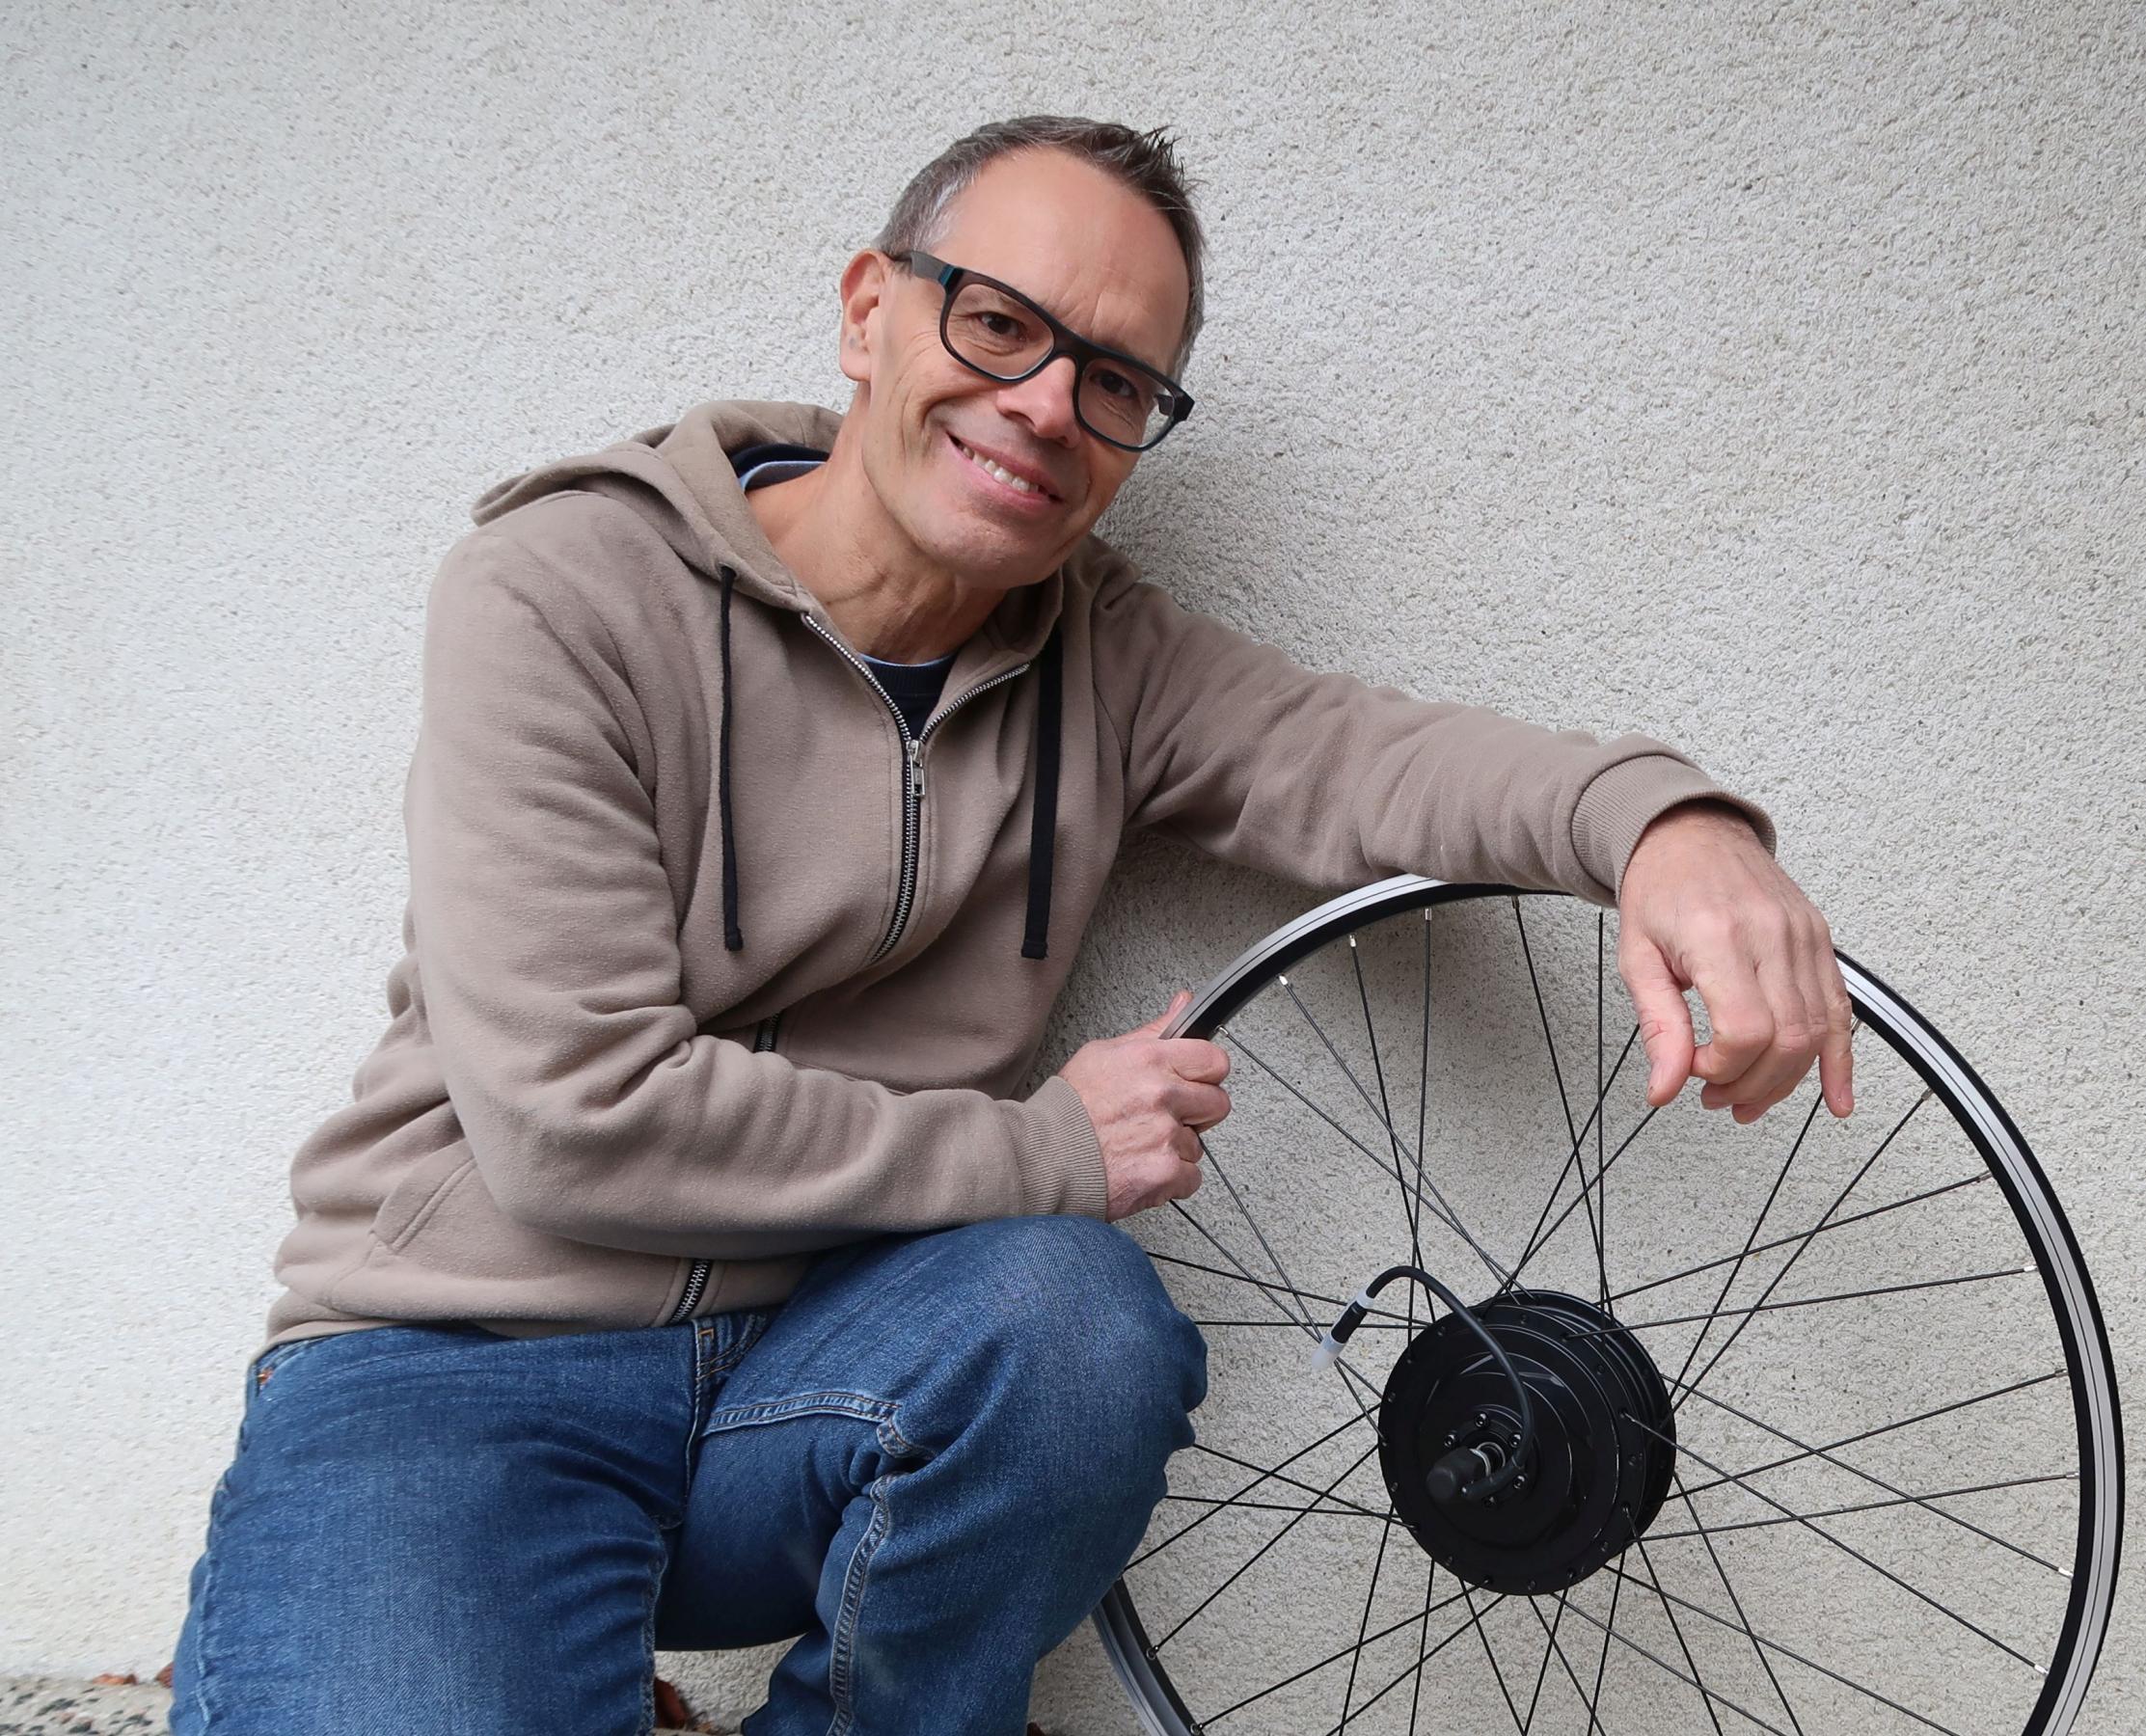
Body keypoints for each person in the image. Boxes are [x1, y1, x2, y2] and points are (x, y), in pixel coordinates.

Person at [169, 115, 1853, 1736]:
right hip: (453, 1373)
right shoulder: (566, 589)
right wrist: (1042, 1148)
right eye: (998, 324)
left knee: (1070, 1325)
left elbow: (1375, 761)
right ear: (867, 310)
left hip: (809, 1372)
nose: (1044, 404)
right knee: (1054, 1237)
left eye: (1113, 380)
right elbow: (572, 1122)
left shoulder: (1104, 660)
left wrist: (1668, 827)